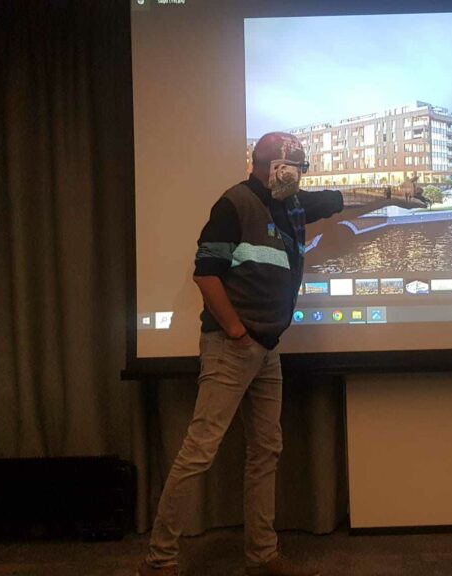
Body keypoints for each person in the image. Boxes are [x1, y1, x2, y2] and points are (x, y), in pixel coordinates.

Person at [138, 132, 343, 576]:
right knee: (200, 451)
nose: (299, 176)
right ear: (275, 166)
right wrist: (236, 331)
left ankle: (262, 556)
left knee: (266, 451)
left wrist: (395, 195)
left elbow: (336, 200)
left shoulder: (292, 205)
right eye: (296, 167)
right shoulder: (233, 204)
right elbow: (206, 274)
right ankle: (158, 561)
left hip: (267, 349)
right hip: (232, 347)